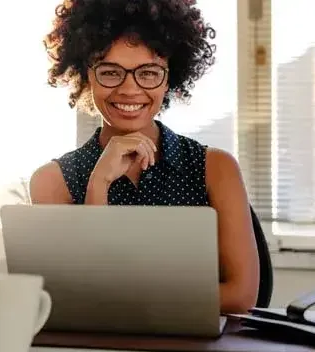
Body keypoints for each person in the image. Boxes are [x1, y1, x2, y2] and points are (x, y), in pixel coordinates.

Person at [30, 0, 259, 314]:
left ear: (169, 77)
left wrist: (130, 301)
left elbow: (242, 294)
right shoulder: (52, 181)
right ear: (88, 75)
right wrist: (99, 184)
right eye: (110, 72)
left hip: (197, 351)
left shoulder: (216, 169)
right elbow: (75, 295)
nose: (129, 89)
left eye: (148, 73)